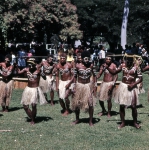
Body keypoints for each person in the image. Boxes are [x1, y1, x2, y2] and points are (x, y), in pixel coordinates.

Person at [106, 55, 142, 129]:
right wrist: (107, 68)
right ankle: (123, 122)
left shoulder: (136, 67)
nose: (128, 63)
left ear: (133, 61)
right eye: (127, 61)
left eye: (130, 62)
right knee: (122, 105)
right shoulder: (122, 65)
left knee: (133, 106)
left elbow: (140, 78)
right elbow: (114, 72)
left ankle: (135, 122)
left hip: (132, 87)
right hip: (123, 86)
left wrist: (133, 84)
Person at [70, 51, 97, 126]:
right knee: (77, 103)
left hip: (88, 86)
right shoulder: (77, 66)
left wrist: (95, 86)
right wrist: (73, 86)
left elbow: (95, 76)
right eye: (85, 58)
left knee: (90, 103)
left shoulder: (91, 65)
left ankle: (90, 121)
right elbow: (75, 77)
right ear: (82, 59)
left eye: (88, 58)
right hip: (79, 86)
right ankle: (77, 119)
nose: (87, 60)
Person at [17, 58, 47, 125]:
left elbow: (45, 78)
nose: (30, 66)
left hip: (35, 89)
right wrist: (16, 67)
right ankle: (32, 117)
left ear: (34, 64)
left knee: (33, 105)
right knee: (25, 106)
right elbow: (19, 72)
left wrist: (42, 72)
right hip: (28, 89)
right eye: (29, 64)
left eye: (31, 64)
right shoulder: (26, 70)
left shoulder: (38, 71)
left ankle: (33, 120)